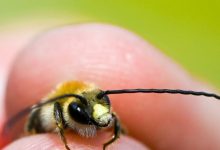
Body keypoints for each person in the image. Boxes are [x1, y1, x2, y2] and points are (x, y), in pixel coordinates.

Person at [1, 24, 220, 150]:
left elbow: (110, 118)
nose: (102, 115)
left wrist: (113, 137)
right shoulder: (62, 105)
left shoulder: (97, 102)